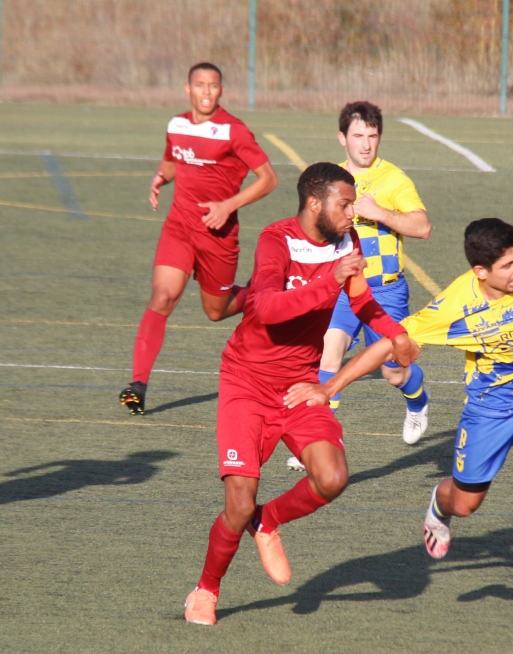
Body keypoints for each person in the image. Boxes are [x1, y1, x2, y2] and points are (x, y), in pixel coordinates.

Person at [285, 218, 513, 617]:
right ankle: (439, 507)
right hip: (489, 412)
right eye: (507, 266)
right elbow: (389, 345)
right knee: (464, 504)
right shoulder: (454, 305)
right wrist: (329, 388)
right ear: (480, 271)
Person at [183, 162, 419, 626]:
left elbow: (361, 301)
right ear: (315, 203)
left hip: (299, 385)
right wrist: (329, 280)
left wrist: (396, 334)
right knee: (238, 503)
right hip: (247, 382)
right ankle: (206, 590)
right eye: (345, 204)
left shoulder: (348, 241)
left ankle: (267, 520)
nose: (352, 213)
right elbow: (268, 308)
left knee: (332, 478)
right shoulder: (276, 240)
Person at [120, 62, 278, 414]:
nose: (207, 91)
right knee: (163, 296)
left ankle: (262, 292)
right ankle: (138, 385)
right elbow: (172, 160)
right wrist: (161, 177)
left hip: (218, 235)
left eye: (213, 85)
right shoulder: (176, 124)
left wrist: (228, 206)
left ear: (221, 91)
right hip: (179, 226)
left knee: (215, 311)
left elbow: (268, 178)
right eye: (200, 84)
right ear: (187, 89)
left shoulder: (234, 131)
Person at [312, 101, 433, 451]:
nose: (366, 144)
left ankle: (418, 401)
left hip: (385, 292)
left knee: (393, 371)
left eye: (372, 136)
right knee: (329, 354)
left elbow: (423, 227)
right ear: (342, 138)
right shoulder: (330, 179)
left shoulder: (393, 179)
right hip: (343, 291)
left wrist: (379, 212)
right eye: (358, 136)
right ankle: (320, 444)